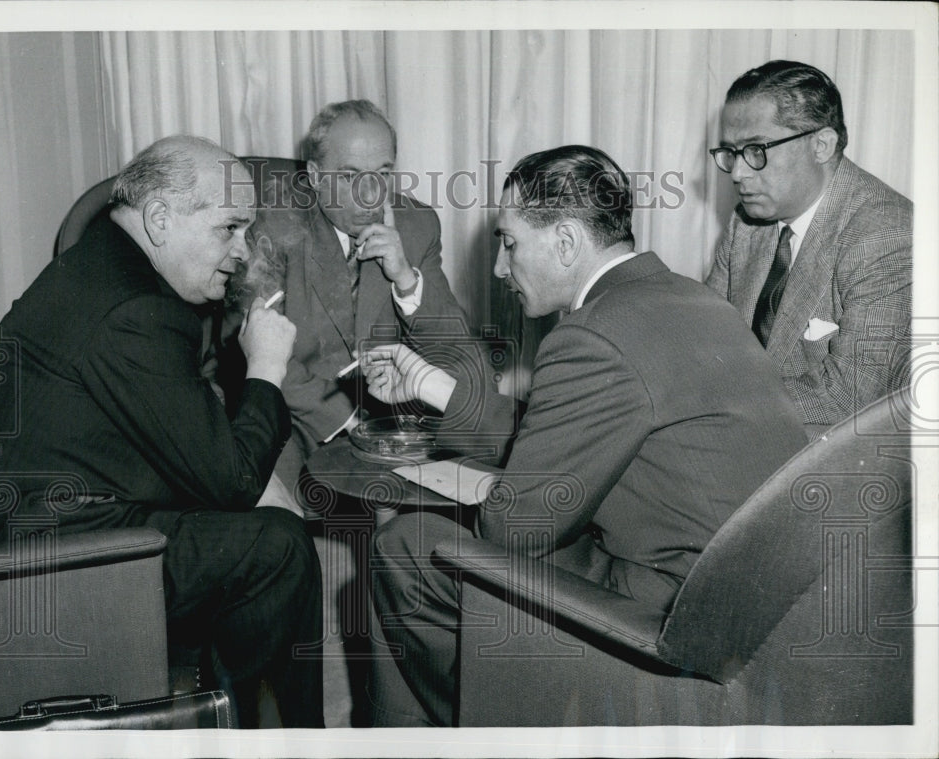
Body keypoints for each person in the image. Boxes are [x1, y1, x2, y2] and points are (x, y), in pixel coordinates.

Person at [360, 145, 808, 727]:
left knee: (407, 545)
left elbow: (514, 527)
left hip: (678, 613)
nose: (499, 267)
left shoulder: (591, 336)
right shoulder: (687, 298)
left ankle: (491, 733)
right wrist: (440, 390)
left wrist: (493, 494)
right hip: (755, 599)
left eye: (510, 243)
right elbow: (576, 429)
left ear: (567, 243)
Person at [0, 135, 323, 728]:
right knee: (279, 550)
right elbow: (235, 480)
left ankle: (229, 714)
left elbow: (181, 423)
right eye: (229, 228)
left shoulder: (100, 267)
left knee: (266, 526)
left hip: (54, 522)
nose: (243, 251)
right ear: (161, 218)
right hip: (76, 564)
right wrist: (267, 367)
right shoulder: (135, 307)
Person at [243, 99, 471, 488]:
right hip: (296, 413)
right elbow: (260, 350)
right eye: (349, 176)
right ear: (315, 176)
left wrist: (406, 280)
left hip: (392, 416)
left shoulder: (416, 224)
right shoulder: (271, 224)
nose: (370, 195)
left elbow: (454, 349)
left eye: (382, 173)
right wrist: (349, 423)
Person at [706, 60, 913, 431]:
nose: (737, 173)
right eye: (731, 153)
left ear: (821, 145)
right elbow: (704, 339)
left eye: (756, 150)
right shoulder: (746, 222)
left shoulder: (887, 233)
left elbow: (847, 397)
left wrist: (707, 406)